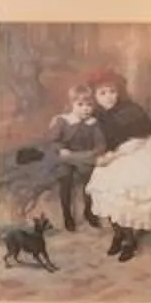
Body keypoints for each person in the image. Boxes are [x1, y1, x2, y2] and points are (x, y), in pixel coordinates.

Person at [81, 70, 151, 262]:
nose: (108, 97)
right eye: (102, 93)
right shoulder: (98, 116)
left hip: (145, 150)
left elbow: (138, 140)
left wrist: (113, 156)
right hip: (120, 151)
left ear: (119, 92)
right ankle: (118, 233)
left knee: (124, 185)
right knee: (102, 182)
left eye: (112, 91)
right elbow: (102, 142)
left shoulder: (130, 110)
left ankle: (129, 240)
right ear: (94, 96)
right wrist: (103, 156)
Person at [46, 84, 103, 232]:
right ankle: (67, 214)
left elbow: (100, 145)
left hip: (84, 157)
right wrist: (61, 149)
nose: (86, 109)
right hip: (66, 156)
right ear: (71, 105)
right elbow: (53, 140)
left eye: (89, 105)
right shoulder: (63, 121)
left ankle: (89, 211)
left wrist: (90, 154)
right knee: (65, 176)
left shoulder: (93, 124)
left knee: (90, 179)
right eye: (80, 105)